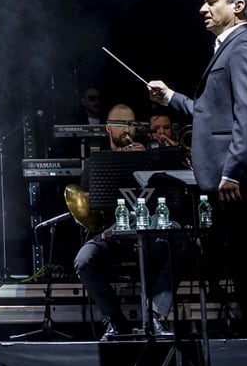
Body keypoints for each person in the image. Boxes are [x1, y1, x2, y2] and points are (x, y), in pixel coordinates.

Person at [146, 0, 247, 366]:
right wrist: (172, 98)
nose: (203, 8)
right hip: (236, 184)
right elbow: (214, 115)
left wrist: (233, 172)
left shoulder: (246, 47)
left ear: (238, 6)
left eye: (212, 2)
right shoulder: (228, 50)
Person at [73, 104, 176, 339]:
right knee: (84, 260)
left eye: (131, 124)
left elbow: (172, 196)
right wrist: (116, 164)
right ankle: (115, 321)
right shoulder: (94, 163)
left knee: (182, 245)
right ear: (108, 128)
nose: (127, 129)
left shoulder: (149, 157)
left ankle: (156, 315)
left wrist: (153, 160)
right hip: (114, 235)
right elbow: (92, 210)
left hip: (149, 232)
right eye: (121, 124)